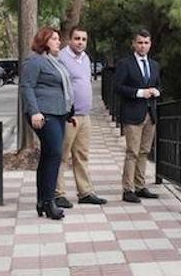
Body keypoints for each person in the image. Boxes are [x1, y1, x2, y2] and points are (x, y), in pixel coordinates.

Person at [20, 27, 76, 220]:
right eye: (54, 39)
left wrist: (69, 113)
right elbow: (26, 86)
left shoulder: (56, 62)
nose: (58, 42)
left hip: (59, 113)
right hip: (43, 113)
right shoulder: (34, 61)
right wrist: (34, 111)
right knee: (54, 154)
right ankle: (50, 201)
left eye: (58, 39)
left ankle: (42, 201)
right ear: (44, 41)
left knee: (48, 156)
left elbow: (63, 89)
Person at [54, 26, 107, 208]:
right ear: (70, 40)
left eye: (84, 39)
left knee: (82, 155)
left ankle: (85, 192)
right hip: (69, 116)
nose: (80, 42)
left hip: (85, 115)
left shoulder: (86, 58)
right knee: (62, 155)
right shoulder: (61, 57)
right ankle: (58, 193)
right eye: (77, 38)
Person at [114, 29, 161, 203]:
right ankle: (128, 189)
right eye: (140, 42)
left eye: (146, 43)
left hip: (151, 114)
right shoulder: (125, 64)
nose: (143, 46)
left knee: (144, 151)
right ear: (134, 44)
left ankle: (140, 186)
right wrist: (140, 93)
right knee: (132, 152)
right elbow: (118, 87)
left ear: (150, 44)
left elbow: (159, 86)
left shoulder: (154, 65)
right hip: (133, 113)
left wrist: (156, 91)